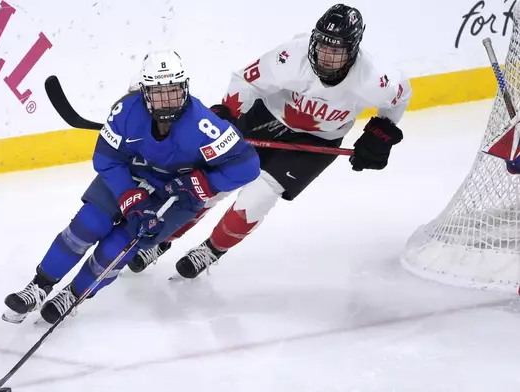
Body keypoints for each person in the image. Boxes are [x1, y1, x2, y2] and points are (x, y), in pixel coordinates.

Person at [127, 3, 413, 279]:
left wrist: (381, 132)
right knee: (210, 183)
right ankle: (162, 238)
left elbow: (401, 96)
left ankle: (211, 251)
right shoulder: (291, 56)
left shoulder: (374, 79)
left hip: (318, 141)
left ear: (353, 50)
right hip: (266, 117)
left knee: (258, 197)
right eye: (323, 46)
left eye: (336, 51)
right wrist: (228, 112)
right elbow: (246, 79)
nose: (326, 56)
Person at [1, 50, 261, 324]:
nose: (167, 100)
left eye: (173, 91)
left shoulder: (203, 124)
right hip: (131, 175)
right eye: (159, 92)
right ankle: (39, 286)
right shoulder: (126, 110)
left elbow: (247, 166)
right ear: (144, 91)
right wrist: (129, 196)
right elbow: (106, 159)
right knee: (87, 224)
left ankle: (73, 295)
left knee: (118, 247)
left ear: (185, 87)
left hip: (177, 194)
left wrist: (201, 184)